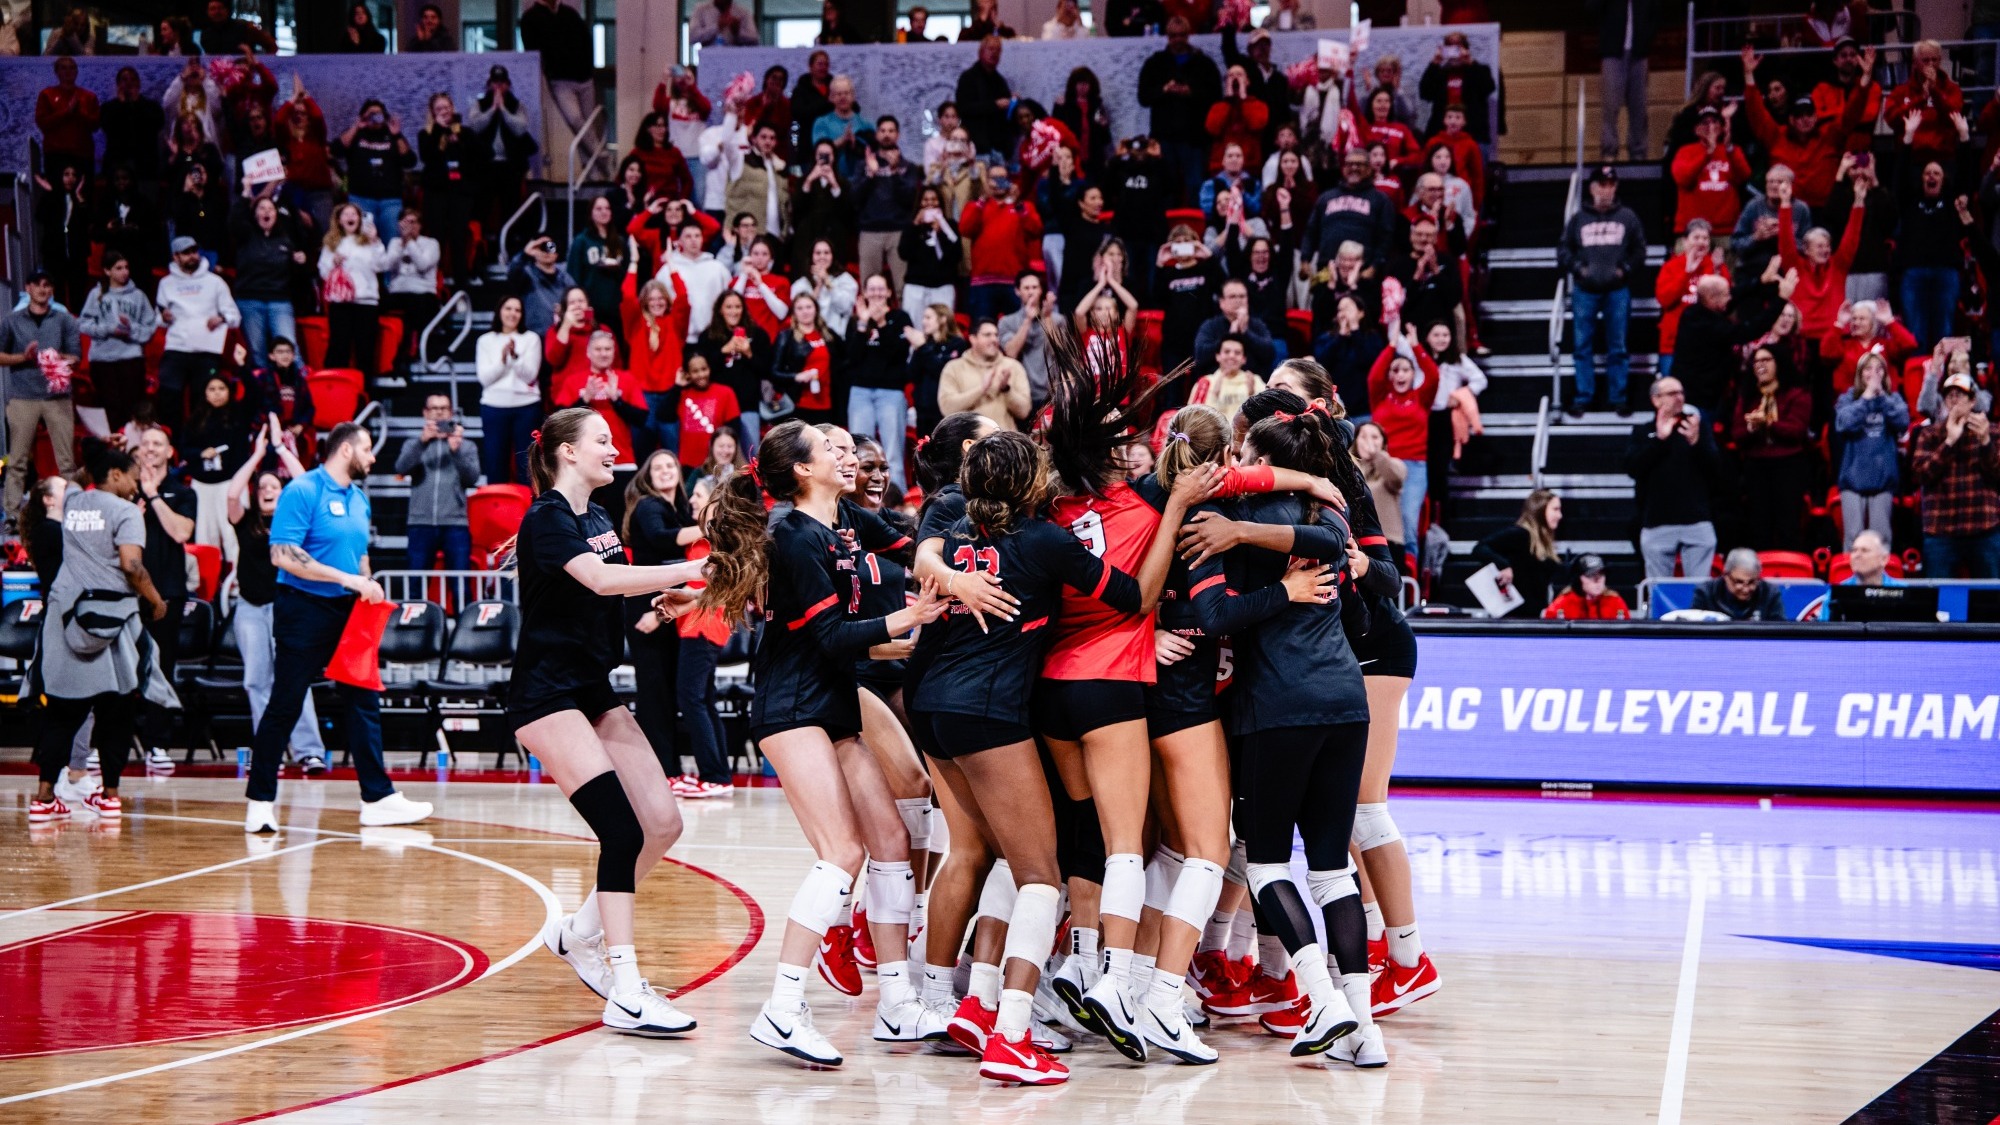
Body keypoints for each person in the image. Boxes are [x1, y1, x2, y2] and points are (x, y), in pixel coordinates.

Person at [698, 419, 946, 1066]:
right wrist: (909, 616)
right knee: (841, 851)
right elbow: (834, 636)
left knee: (889, 840)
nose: (845, 453)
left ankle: (896, 1003)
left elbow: (913, 541)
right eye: (826, 445)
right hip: (791, 705)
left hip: (831, 704)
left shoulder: (845, 522)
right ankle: (782, 1005)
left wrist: (953, 552)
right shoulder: (791, 536)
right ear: (802, 470)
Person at [1182, 398, 1377, 1063]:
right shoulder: (1325, 508)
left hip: (1279, 706)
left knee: (1265, 862)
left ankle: (1322, 999)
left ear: (1259, 464)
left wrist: (1241, 541)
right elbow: (1335, 547)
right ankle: (1365, 1028)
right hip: (1347, 701)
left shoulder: (1227, 517)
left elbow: (1212, 616)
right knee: (1331, 868)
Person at [502, 407, 706, 1036]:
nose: (613, 449)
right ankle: (624, 988)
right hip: (545, 695)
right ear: (566, 452)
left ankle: (577, 933)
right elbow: (595, 579)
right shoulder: (545, 517)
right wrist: (683, 568)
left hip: (592, 687)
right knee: (620, 833)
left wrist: (668, 597)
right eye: (601, 441)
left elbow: (611, 583)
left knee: (663, 824)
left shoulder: (595, 517)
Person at [245, 422, 433, 833]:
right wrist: (346, 580)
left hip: (349, 611)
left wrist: (367, 584)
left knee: (364, 701)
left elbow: (359, 553)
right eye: (367, 450)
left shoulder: (359, 499)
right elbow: (283, 555)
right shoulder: (303, 490)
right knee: (285, 703)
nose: (372, 457)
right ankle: (260, 800)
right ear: (346, 450)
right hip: (303, 609)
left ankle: (378, 798)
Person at [24, 444, 170, 826]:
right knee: (116, 712)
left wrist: (100, 458)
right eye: (133, 479)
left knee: (61, 712)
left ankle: (43, 801)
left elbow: (74, 480)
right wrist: (156, 601)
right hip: (113, 619)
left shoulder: (72, 503)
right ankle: (109, 797)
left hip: (68, 616)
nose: (137, 487)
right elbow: (132, 566)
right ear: (117, 475)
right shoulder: (125, 512)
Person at [227, 424, 330, 772]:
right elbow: (231, 493)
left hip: (287, 606)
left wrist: (282, 449)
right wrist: (258, 454)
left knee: (293, 678)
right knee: (256, 680)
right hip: (250, 609)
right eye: (263, 487)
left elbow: (307, 484)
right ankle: (269, 750)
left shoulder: (294, 519)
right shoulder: (245, 521)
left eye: (275, 486)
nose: (268, 490)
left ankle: (309, 751)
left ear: (284, 492)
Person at [127, 424, 194, 772]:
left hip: (167, 592)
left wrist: (153, 496)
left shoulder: (182, 492)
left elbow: (182, 532)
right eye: (145, 443)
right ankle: (115, 743)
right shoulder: (124, 490)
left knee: (161, 669)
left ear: (170, 452)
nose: (150, 449)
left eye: (158, 444)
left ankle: (158, 744)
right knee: (120, 669)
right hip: (125, 592)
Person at [1559, 166, 1646, 417]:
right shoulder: (1578, 219)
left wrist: (1625, 270)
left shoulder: (1627, 217)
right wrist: (1579, 269)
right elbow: (1564, 250)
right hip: (1585, 290)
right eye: (1602, 185)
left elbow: (1640, 249)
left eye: (1611, 185)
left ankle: (1618, 397)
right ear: (1592, 187)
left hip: (1617, 290)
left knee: (1618, 345)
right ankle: (1583, 396)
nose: (1606, 190)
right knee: (1581, 345)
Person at [0, 270, 81, 520]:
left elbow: (75, 356)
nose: (43, 290)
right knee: (17, 460)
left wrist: (54, 358)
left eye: (47, 285)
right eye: (37, 285)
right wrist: (23, 357)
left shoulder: (64, 320)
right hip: (24, 396)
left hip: (57, 396)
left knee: (66, 460)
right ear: (28, 288)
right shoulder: (12, 321)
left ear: (52, 290)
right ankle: (12, 514)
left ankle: (75, 509)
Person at [1626, 376, 1721, 581]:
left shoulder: (1697, 428)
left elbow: (1717, 471)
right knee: (1658, 591)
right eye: (1672, 394)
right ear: (1656, 399)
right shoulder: (1643, 432)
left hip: (1697, 520)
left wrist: (1697, 443)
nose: (1679, 398)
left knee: (1699, 591)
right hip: (1657, 522)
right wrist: (1659, 441)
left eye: (1681, 393)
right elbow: (1633, 468)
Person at [1911, 370, 2000, 577]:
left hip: (1984, 527)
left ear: (1972, 401)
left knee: (1992, 599)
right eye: (1949, 395)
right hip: (1941, 531)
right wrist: (1949, 442)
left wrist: (1986, 442)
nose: (1954, 400)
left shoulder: (1993, 432)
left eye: (1960, 395)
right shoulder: (1930, 434)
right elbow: (1920, 475)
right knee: (1938, 599)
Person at [1732, 344, 1813, 550]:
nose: (1760, 365)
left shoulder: (1797, 394)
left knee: (1788, 525)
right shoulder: (1748, 396)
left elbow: (1796, 431)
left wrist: (1768, 423)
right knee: (1759, 524)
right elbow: (1737, 434)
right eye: (1756, 362)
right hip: (1756, 465)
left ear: (1779, 363)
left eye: (1766, 360)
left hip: (1788, 465)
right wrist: (1751, 428)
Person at [155, 236, 240, 432]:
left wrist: (221, 318)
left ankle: (200, 443)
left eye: (194, 251)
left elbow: (234, 316)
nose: (192, 256)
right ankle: (173, 445)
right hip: (177, 347)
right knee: (169, 396)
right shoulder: (166, 283)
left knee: (202, 400)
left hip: (206, 350)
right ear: (176, 257)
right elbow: (157, 320)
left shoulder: (215, 282)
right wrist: (164, 318)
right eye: (186, 253)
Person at [1368, 324, 1440, 549]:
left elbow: (1433, 375)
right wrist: (1391, 347)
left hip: (1414, 468)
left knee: (1408, 523)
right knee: (1380, 525)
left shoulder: (1421, 397)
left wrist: (1416, 345)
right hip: (1381, 465)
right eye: (1395, 370)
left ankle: (1411, 579)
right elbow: (1373, 376)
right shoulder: (1380, 396)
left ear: (1413, 374)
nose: (1400, 375)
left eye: (1405, 370)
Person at [1138, 19, 1223, 205]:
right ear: (1167, 37)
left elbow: (1216, 96)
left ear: (1188, 35)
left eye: (1182, 35)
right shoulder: (1155, 63)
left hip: (1194, 138)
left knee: (1195, 187)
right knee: (1166, 188)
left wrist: (1191, 92)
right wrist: (1164, 90)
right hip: (1164, 137)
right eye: (1173, 36)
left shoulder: (1204, 64)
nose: (1178, 40)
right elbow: (1143, 97)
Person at [73, 253, 156, 435]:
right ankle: (113, 445)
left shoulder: (138, 295)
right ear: (107, 271)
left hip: (131, 357)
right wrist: (109, 329)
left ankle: (133, 444)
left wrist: (131, 329)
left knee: (133, 405)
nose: (124, 272)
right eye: (119, 268)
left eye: (126, 267)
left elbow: (150, 327)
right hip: (103, 359)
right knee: (110, 405)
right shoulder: (97, 294)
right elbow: (83, 324)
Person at [396, 394, 482, 570]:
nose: (439, 413)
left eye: (443, 408)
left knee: (460, 586)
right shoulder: (413, 444)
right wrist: (422, 442)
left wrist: (456, 451)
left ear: (450, 412)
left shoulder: (466, 446)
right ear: (425, 413)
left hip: (455, 524)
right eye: (434, 408)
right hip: (420, 523)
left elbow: (472, 478)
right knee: (416, 587)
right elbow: (401, 468)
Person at [844, 276, 914, 488]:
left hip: (891, 391)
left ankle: (897, 501)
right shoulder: (857, 320)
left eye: (880, 289)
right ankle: (857, 499)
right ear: (864, 293)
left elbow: (897, 353)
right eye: (871, 289)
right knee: (859, 450)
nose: (876, 293)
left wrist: (882, 324)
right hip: (860, 391)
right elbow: (851, 357)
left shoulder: (901, 318)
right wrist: (864, 324)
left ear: (889, 293)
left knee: (891, 451)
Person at [178, 373, 253, 559]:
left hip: (230, 484)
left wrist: (243, 367)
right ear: (204, 393)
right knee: (205, 536)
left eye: (222, 388)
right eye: (212, 389)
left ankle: (237, 585)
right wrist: (200, 454)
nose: (217, 393)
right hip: (202, 485)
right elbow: (184, 449)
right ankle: (208, 585)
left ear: (229, 391)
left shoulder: (239, 416)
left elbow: (255, 395)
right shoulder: (195, 420)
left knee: (233, 535)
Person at [961, 165, 1043, 321]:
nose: (998, 183)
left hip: (1014, 282)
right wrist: (982, 199)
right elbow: (965, 229)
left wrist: (1018, 203)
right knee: (982, 329)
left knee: (1018, 329)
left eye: (1003, 178)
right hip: (982, 282)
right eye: (994, 179)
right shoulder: (975, 206)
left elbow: (1035, 230)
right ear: (987, 181)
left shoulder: (1023, 206)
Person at [520, 0, 600, 153]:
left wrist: (588, 68)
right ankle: (601, 157)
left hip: (584, 78)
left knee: (588, 125)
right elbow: (532, 51)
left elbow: (586, 40)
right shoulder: (530, 18)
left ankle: (592, 170)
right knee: (575, 120)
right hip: (560, 81)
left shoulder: (569, 13)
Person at [319, 203, 387, 382]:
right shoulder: (331, 243)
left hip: (366, 303)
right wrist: (333, 262)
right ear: (339, 220)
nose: (350, 217)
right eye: (346, 214)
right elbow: (323, 272)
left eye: (354, 214)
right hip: (340, 305)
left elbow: (381, 265)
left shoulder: (369, 242)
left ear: (359, 219)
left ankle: (365, 394)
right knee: (338, 348)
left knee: (365, 349)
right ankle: (336, 389)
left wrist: (375, 241)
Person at [1654, 222, 1728, 380]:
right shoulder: (1671, 266)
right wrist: (1686, 273)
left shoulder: (1716, 266)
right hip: (1673, 344)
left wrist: (1717, 271)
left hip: (1708, 343)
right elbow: (1665, 300)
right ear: (1685, 241)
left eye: (1705, 238)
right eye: (1696, 237)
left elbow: (1725, 303)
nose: (1701, 242)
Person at [1472, 488, 1563, 617]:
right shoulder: (1520, 534)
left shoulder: (1543, 542)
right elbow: (1480, 548)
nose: (1560, 515)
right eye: (1555, 509)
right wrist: (1503, 565)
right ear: (1540, 510)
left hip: (1535, 617)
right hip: (1515, 619)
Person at [333, 99, 414, 237]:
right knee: (362, 242)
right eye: (371, 114)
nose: (375, 117)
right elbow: (337, 150)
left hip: (390, 200)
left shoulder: (392, 135)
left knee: (393, 240)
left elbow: (409, 161)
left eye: (378, 114)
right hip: (361, 198)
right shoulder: (356, 134)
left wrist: (397, 134)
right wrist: (357, 126)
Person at [937, 319, 1032, 431]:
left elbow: (1024, 412)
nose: (994, 339)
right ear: (973, 339)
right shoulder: (954, 368)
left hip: (1004, 441)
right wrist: (981, 389)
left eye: (996, 335)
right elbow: (947, 409)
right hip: (968, 442)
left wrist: (1006, 389)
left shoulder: (1012, 366)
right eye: (987, 335)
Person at [1592, 0, 1657, 160]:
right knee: (1610, 105)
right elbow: (1591, 7)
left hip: (1639, 54)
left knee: (1639, 107)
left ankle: (1638, 153)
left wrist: (1646, 39)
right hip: (1613, 53)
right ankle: (1609, 152)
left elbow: (1656, 14)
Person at [1670, 109, 1751, 237]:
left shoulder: (1732, 151)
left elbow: (1744, 176)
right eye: (1705, 123)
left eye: (1715, 122)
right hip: (1692, 230)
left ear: (1722, 127)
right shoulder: (1685, 151)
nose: (1711, 127)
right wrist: (1707, 155)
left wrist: (1729, 148)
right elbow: (1683, 179)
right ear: (1696, 129)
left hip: (1726, 231)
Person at [384, 208, 443, 370]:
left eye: (413, 222)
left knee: (416, 307)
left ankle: (410, 355)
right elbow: (387, 266)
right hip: (398, 292)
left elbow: (423, 265)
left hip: (423, 293)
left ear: (420, 225)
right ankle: (390, 358)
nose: (410, 226)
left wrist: (409, 242)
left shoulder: (432, 244)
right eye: (406, 222)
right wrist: (401, 244)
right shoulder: (394, 243)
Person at [772, 291, 840, 426]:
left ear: (816, 309)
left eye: (809, 307)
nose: (805, 312)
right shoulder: (786, 337)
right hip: (798, 403)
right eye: (800, 308)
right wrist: (797, 376)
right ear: (794, 312)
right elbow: (773, 372)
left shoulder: (828, 335)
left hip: (826, 404)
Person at [1419, 33, 1497, 147]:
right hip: (1442, 133)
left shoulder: (1480, 70)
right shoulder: (1439, 73)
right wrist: (1434, 63)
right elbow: (1425, 94)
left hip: (1473, 134)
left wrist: (1470, 62)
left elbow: (1489, 88)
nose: (1454, 52)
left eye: (1458, 47)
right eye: (1450, 47)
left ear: (1465, 49)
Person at [1814, 530, 1905, 619]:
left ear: (1884, 559)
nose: (1856, 555)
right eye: (1854, 550)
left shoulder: (1903, 592)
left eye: (1864, 550)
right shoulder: (1837, 594)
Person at [899, 185, 961, 315]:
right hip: (916, 286)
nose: (930, 203)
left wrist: (941, 233)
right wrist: (916, 225)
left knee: (942, 330)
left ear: (940, 202)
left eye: (934, 199)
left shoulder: (950, 226)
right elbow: (904, 253)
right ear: (920, 203)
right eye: (925, 200)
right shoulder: (912, 225)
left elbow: (956, 256)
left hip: (942, 287)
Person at [34, 57, 99, 178]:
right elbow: (42, 123)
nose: (68, 71)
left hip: (82, 154)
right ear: (56, 72)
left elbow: (95, 125)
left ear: (77, 71)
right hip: (56, 154)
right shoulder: (47, 94)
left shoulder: (88, 96)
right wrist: (67, 111)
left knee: (82, 193)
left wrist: (79, 112)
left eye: (72, 68)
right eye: (63, 68)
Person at [1690, 549, 1788, 620]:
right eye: (1739, 582)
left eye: (1752, 582)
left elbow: (1780, 631)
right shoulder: (1705, 593)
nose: (1746, 589)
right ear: (1726, 576)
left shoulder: (1770, 593)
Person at [1187, 336, 1266, 420]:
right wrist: (1214, 395)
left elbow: (1266, 416)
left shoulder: (1255, 381)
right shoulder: (1206, 382)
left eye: (1237, 353)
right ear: (1217, 356)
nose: (1232, 356)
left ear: (1244, 359)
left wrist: (1252, 395)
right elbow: (1193, 419)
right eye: (1227, 351)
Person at [1542, 554, 1631, 620]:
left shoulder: (1615, 602)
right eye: (1590, 575)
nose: (1597, 580)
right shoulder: (1562, 604)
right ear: (1578, 580)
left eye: (1601, 574)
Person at [690, 0, 760, 45]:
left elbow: (755, 40)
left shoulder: (743, 12)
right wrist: (717, 27)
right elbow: (692, 37)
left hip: (736, 60)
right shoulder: (701, 10)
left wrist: (737, 32)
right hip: (708, 60)